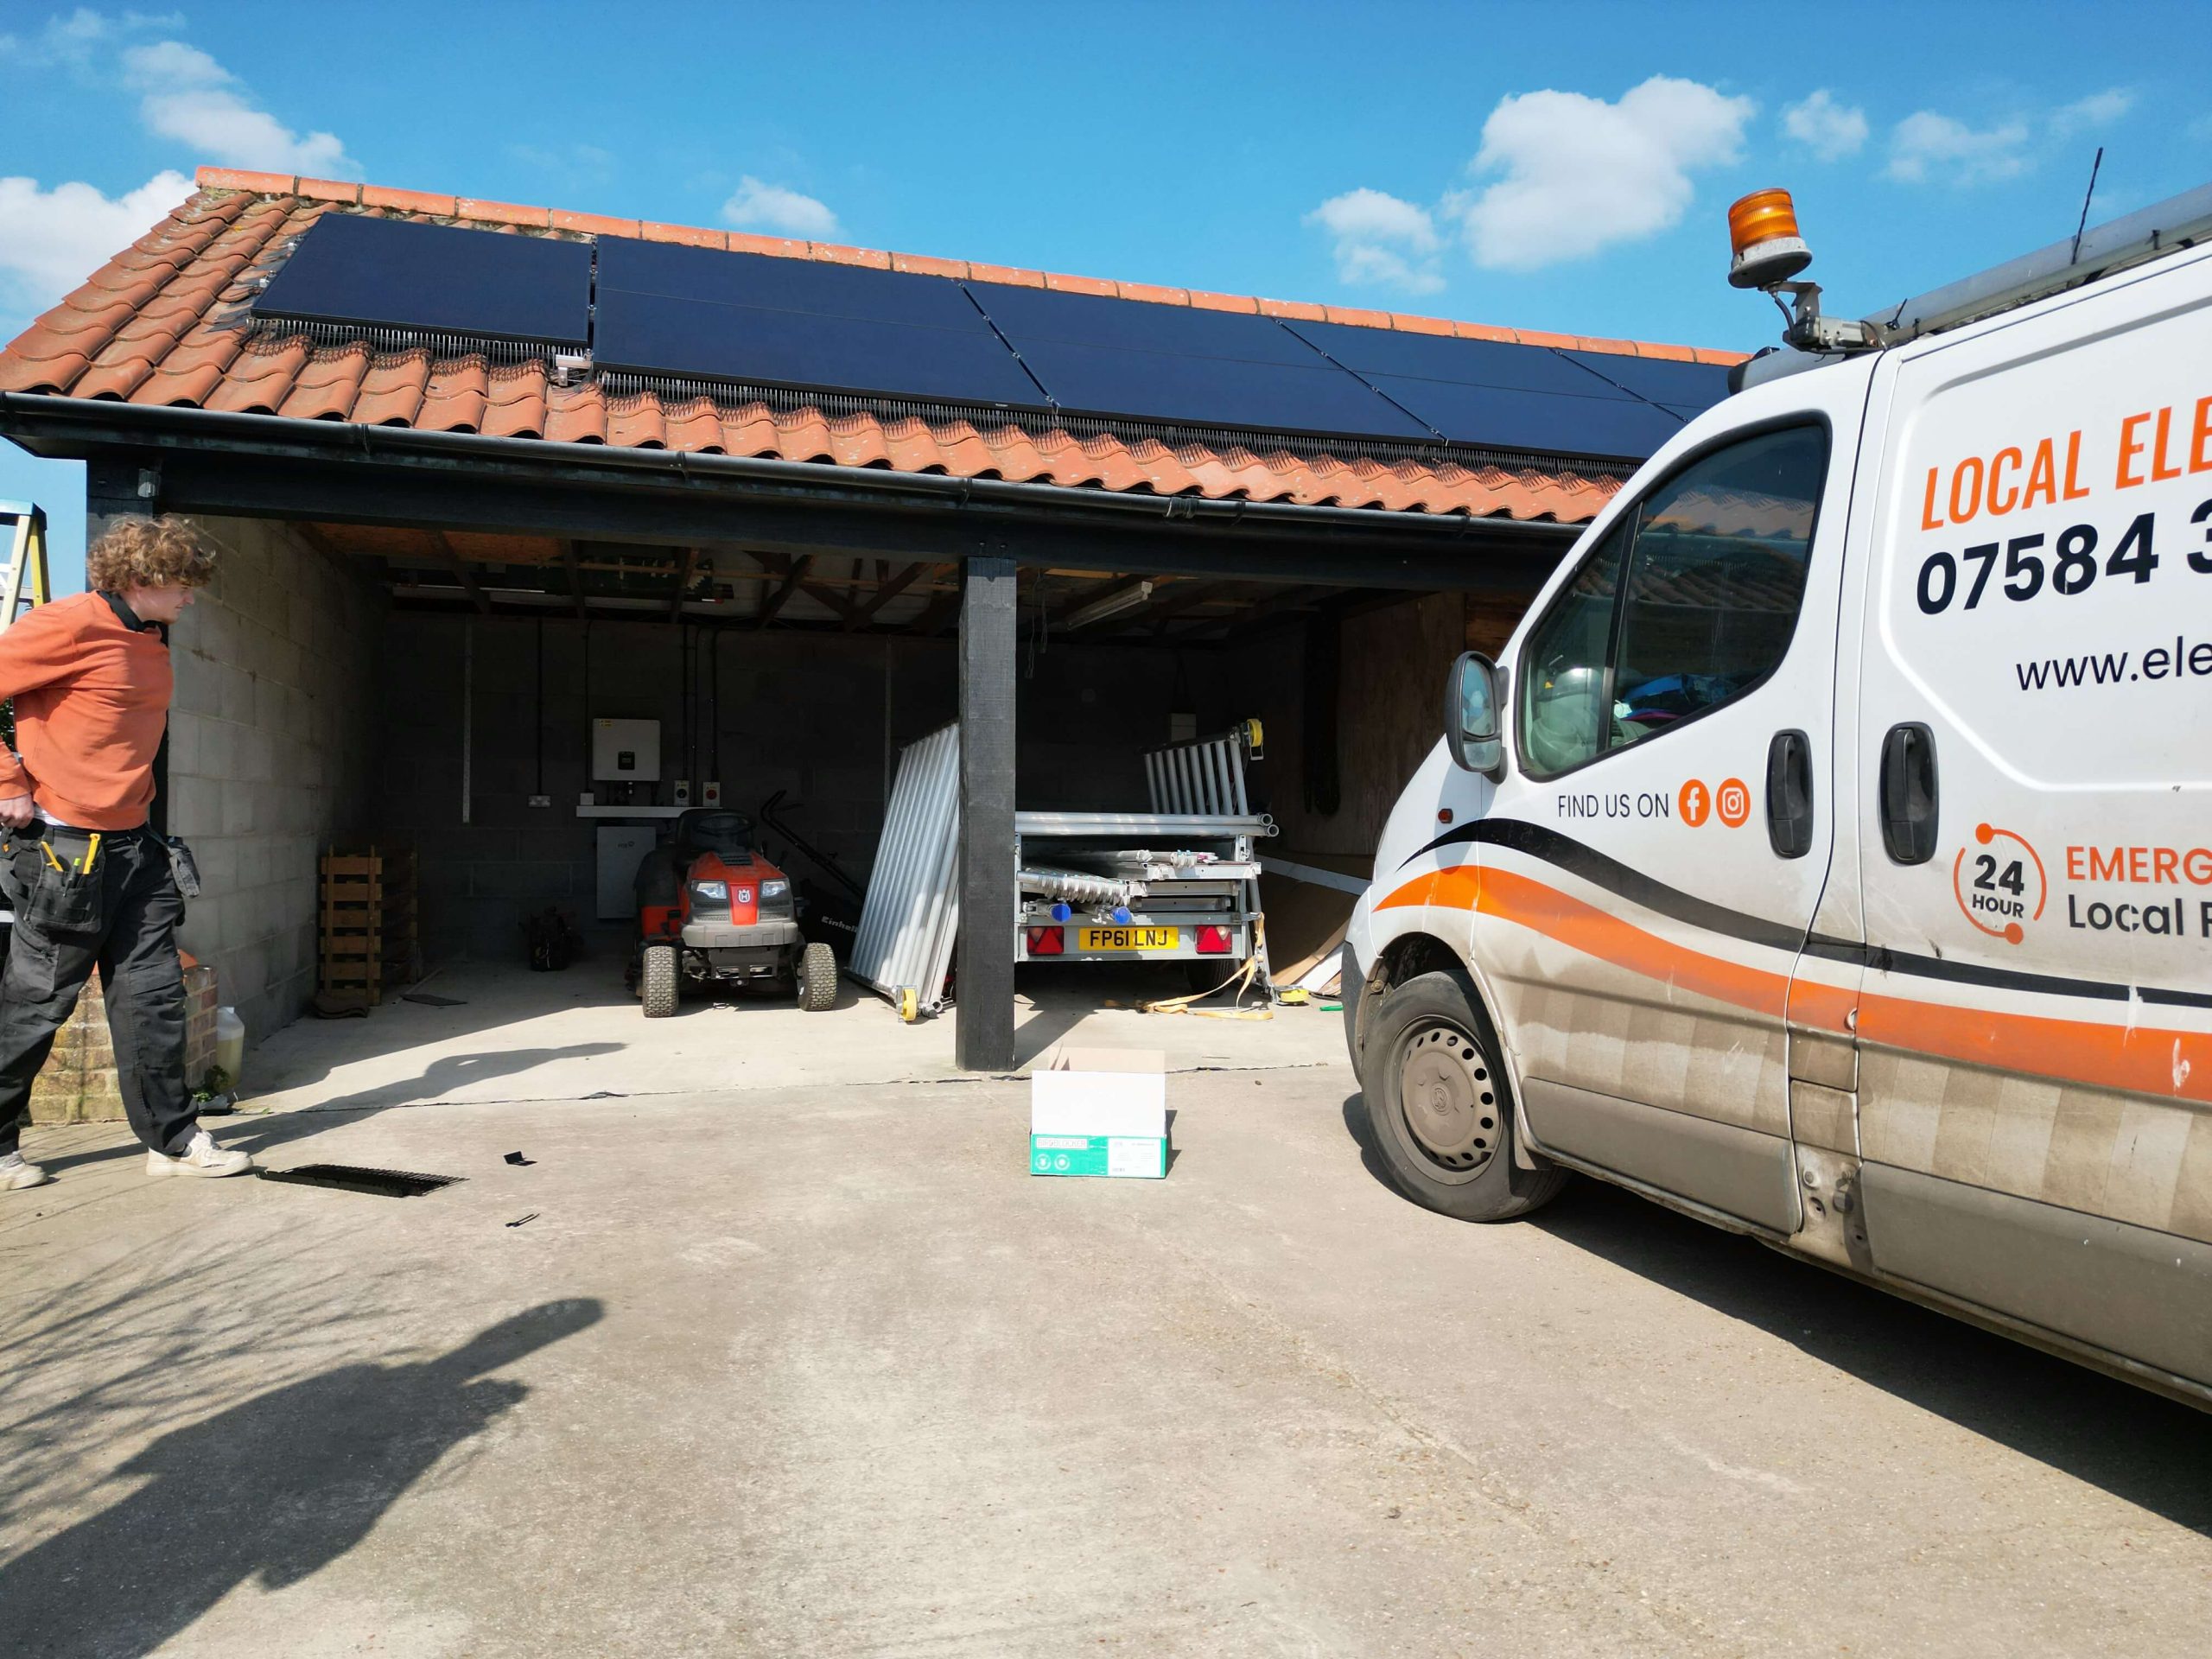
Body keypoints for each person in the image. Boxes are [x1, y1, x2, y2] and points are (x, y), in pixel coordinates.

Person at [0, 515, 251, 1189]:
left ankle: (171, 1141)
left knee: (153, 1002)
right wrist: (7, 781)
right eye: (182, 586)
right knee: (36, 1005)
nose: (190, 599)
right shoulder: (69, 624)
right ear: (142, 579)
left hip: (135, 849)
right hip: (65, 853)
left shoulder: (148, 636)